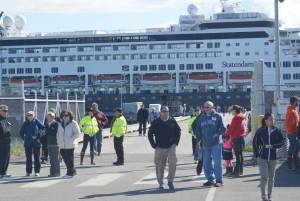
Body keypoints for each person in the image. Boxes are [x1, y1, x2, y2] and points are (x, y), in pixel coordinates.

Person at [192, 101, 226, 187]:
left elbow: (223, 128)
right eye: (205, 107)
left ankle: (219, 180)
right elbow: (196, 128)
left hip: (215, 143)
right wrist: (199, 139)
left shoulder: (217, 116)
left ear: (212, 107)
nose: (206, 109)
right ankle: (210, 180)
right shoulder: (201, 117)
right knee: (206, 163)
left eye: (208, 107)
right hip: (205, 144)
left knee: (217, 162)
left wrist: (217, 134)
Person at [148, 106, 181, 191]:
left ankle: (170, 181)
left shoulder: (172, 121)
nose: (166, 113)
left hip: (171, 146)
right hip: (159, 147)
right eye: (164, 111)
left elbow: (178, 131)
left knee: (173, 162)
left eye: (167, 111)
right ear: (160, 112)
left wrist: (176, 142)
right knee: (160, 165)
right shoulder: (156, 122)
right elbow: (150, 134)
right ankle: (161, 183)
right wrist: (153, 145)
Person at [253, 113, 284, 201]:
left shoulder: (277, 130)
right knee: (264, 177)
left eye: (273, 119)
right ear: (266, 120)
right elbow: (255, 142)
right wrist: (257, 155)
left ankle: (269, 196)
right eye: (270, 119)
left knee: (271, 178)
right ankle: (264, 197)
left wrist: (273, 146)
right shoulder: (260, 131)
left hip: (273, 158)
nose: (272, 121)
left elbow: (282, 142)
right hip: (262, 157)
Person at [19, 111, 45, 177]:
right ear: (26, 116)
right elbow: (21, 132)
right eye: (28, 115)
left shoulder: (36, 121)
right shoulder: (25, 123)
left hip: (36, 143)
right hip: (28, 143)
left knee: (37, 158)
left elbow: (43, 128)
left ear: (33, 116)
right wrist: (24, 138)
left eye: (31, 115)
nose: (29, 116)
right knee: (28, 158)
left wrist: (38, 136)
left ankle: (37, 172)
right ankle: (28, 172)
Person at [57, 110, 81, 178]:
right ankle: (73, 171)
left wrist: (71, 139)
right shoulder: (60, 123)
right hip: (62, 144)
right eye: (64, 115)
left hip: (70, 144)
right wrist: (58, 140)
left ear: (70, 116)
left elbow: (78, 133)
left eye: (67, 115)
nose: (65, 117)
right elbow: (58, 133)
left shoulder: (73, 123)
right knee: (65, 159)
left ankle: (70, 173)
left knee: (69, 159)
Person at [225, 105, 246, 176]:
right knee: (240, 155)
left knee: (237, 155)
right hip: (241, 137)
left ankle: (236, 171)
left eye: (232, 110)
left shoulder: (236, 118)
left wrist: (226, 134)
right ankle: (240, 171)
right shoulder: (242, 116)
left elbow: (231, 128)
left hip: (236, 138)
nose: (231, 112)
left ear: (235, 110)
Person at [285, 96, 300, 170]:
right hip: (292, 132)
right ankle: (291, 165)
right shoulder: (291, 111)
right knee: (294, 146)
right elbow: (289, 123)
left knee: (296, 147)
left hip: (294, 132)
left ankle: (295, 165)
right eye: (297, 101)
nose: (298, 103)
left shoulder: (294, 110)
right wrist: (294, 130)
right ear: (294, 102)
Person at [45, 111, 60, 177]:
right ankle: (52, 173)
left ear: (53, 117)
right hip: (49, 143)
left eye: (49, 117)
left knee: (55, 159)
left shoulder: (55, 124)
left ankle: (57, 172)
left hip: (55, 143)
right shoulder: (47, 124)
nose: (48, 118)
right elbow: (47, 133)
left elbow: (53, 133)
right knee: (51, 159)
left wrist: (48, 131)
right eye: (47, 117)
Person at [0, 105, 12, 178]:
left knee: (7, 157)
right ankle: (1, 172)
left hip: (7, 141)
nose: (6, 112)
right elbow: (3, 131)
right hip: (1, 141)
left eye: (7, 111)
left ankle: (4, 172)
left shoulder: (5, 120)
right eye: (4, 111)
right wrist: (8, 127)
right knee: (2, 157)